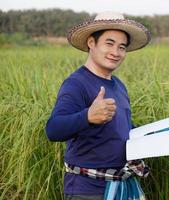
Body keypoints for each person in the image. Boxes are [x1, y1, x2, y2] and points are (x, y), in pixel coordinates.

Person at [45, 11, 151, 200]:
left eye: (122, 47)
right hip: (88, 191)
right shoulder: (76, 84)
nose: (115, 52)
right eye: (109, 43)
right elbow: (53, 129)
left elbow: (119, 129)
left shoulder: (119, 85)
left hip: (122, 186)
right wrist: (87, 116)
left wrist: (152, 135)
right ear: (91, 43)